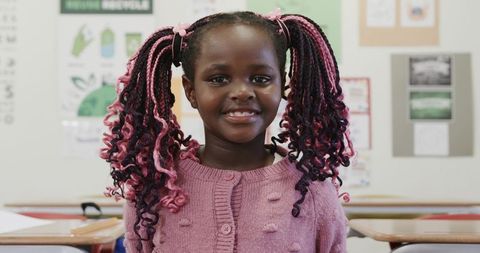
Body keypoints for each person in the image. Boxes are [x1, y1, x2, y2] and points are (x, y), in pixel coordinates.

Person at [101, 9, 354, 253]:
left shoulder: (313, 191)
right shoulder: (155, 187)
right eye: (219, 79)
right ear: (190, 91)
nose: (242, 92)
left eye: (261, 78)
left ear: (283, 84)